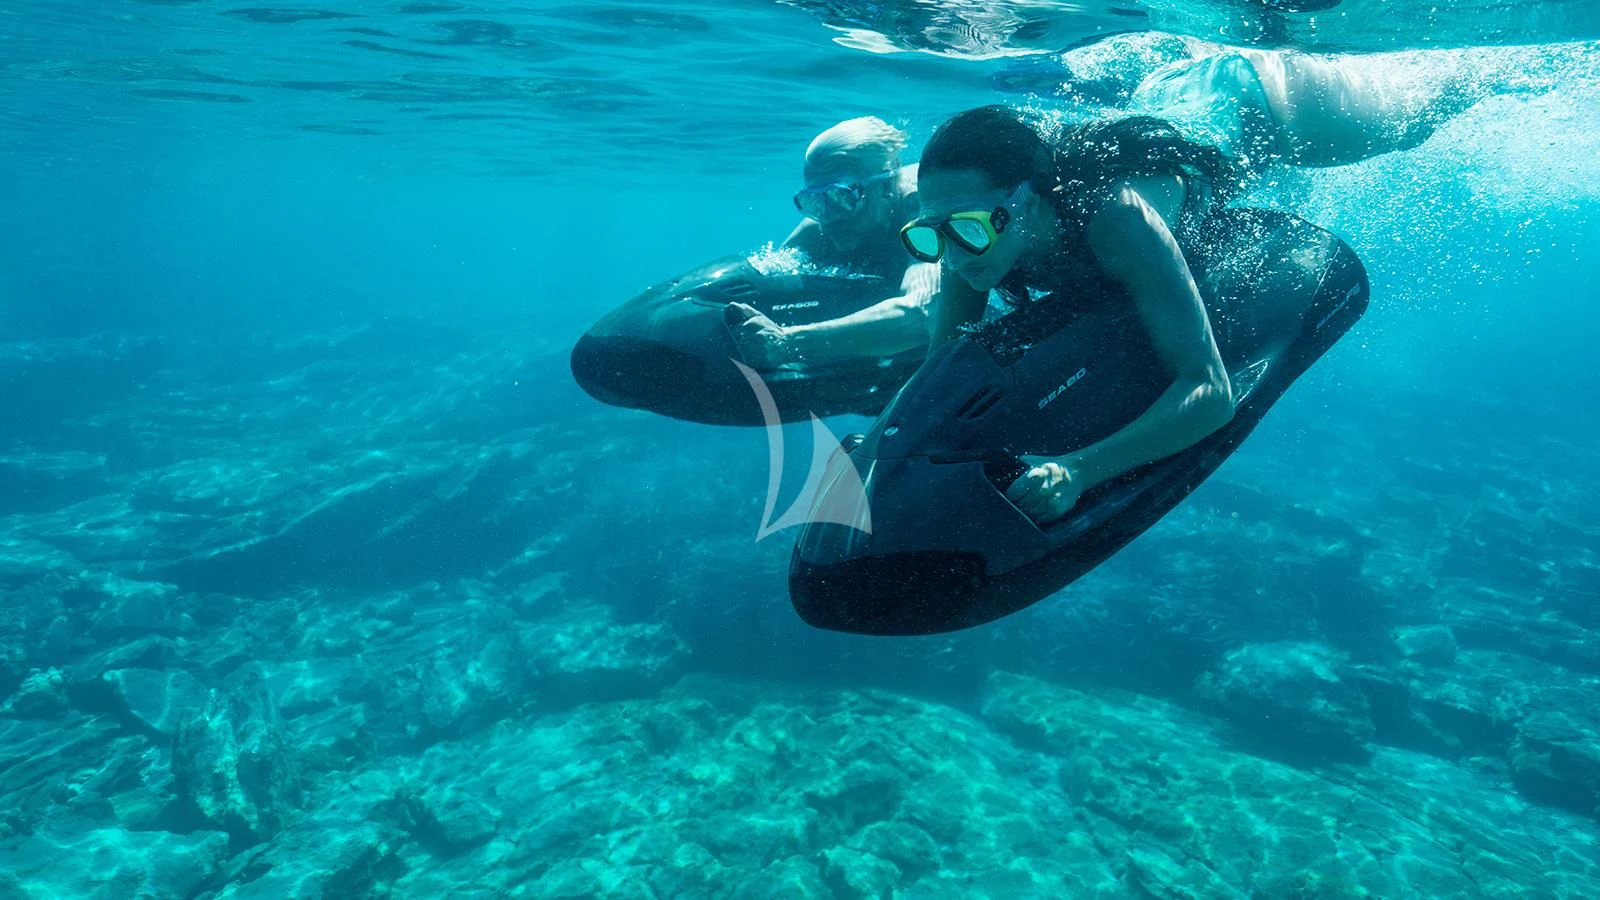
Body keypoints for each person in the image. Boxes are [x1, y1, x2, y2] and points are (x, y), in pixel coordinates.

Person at [903, 107, 1244, 527]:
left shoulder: (1121, 220)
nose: (952, 260)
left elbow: (1210, 394)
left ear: (1025, 201)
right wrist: (878, 443)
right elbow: (939, 365)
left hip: (1217, 149)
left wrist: (1078, 470)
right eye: (930, 233)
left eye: (966, 228)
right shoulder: (962, 231)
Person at [727, 117, 939, 369]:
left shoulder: (924, 213)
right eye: (814, 201)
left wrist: (789, 342)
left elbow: (924, 315)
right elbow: (768, 284)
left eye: (841, 196)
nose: (828, 217)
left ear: (885, 187)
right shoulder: (817, 227)